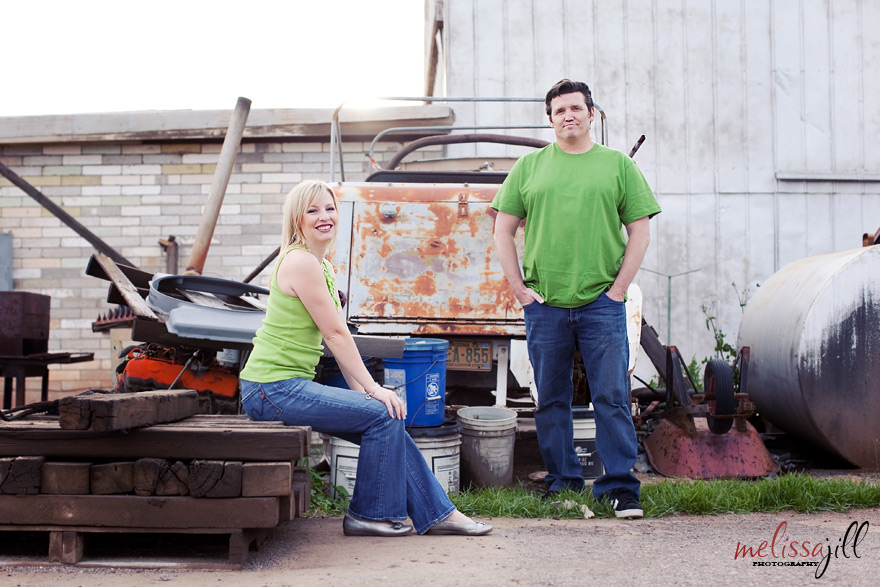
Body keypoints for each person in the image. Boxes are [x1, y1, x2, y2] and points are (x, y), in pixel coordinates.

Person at [239, 179, 492, 537]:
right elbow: (335, 335)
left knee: (385, 414)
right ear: (297, 219)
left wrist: (366, 396)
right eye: (312, 210)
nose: (324, 216)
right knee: (383, 410)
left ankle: (439, 514)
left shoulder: (322, 266)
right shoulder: (299, 262)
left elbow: (338, 340)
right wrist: (374, 389)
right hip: (271, 389)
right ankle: (370, 514)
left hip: (284, 388)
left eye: (329, 208)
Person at [491, 79, 661, 518]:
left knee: (612, 397)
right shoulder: (529, 167)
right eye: (559, 110)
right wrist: (520, 290)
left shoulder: (618, 165)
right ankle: (562, 482)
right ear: (550, 119)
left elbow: (640, 231)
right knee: (550, 400)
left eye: (576, 108)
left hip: (602, 303)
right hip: (545, 304)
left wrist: (618, 290)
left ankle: (620, 488)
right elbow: (502, 231)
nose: (568, 115)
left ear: (591, 114)